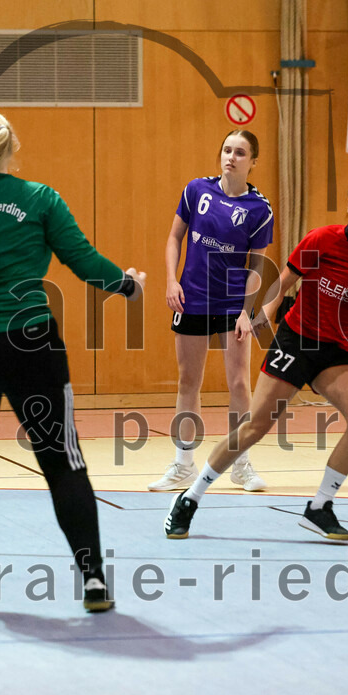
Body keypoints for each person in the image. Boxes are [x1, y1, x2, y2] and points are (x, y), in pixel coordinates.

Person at [0, 109, 146, 613]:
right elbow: (83, 261)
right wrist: (126, 284)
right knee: (62, 459)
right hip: (27, 342)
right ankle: (94, 582)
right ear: (9, 146)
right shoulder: (39, 198)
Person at [164, 178, 348, 541]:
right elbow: (285, 278)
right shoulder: (322, 239)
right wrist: (264, 311)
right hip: (296, 342)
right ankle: (190, 498)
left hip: (337, 352)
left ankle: (320, 507)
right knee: (253, 428)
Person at [148, 130, 274, 493]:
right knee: (189, 380)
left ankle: (241, 464)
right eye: (226, 150)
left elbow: (257, 266)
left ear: (253, 161)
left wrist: (246, 312)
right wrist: (172, 281)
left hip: (233, 303)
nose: (231, 157)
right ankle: (182, 465)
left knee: (239, 383)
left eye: (240, 152)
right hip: (193, 299)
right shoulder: (196, 190)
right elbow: (175, 238)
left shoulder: (259, 209)